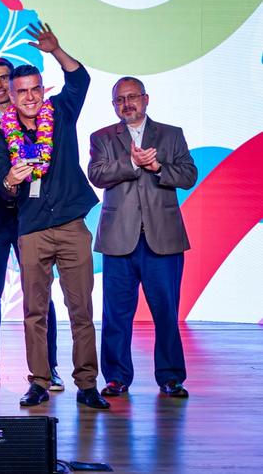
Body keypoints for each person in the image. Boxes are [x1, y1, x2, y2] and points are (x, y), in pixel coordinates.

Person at [0, 22, 109, 409]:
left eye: (34, 89)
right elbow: (1, 191)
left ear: (43, 90)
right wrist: (10, 179)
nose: (28, 97)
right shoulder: (0, 133)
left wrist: (56, 50)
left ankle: (87, 383)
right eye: (20, 91)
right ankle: (39, 381)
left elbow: (81, 78)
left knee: (82, 309)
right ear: (10, 94)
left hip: (72, 224)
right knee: (34, 311)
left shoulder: (60, 113)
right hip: (32, 230)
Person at [88, 77, 196, 399]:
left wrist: (158, 165)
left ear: (146, 99)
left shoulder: (170, 135)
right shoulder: (103, 137)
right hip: (119, 239)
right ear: (113, 105)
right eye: (120, 99)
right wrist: (133, 162)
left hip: (162, 240)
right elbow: (97, 174)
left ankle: (171, 377)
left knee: (166, 311)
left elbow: (188, 175)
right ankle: (117, 377)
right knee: (116, 314)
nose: (127, 104)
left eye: (132, 97)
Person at [0, 58, 63, 392]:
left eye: (3, 79)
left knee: (39, 295)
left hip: (31, 219)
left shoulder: (39, 116)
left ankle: (48, 367)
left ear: (13, 82)